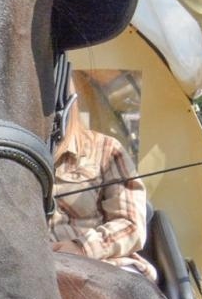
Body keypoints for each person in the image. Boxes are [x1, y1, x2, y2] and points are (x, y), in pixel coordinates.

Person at [49, 91, 157, 281]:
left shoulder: (106, 150)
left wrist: (81, 248)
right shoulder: (6, 155)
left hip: (100, 266)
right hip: (29, 269)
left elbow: (130, 225)